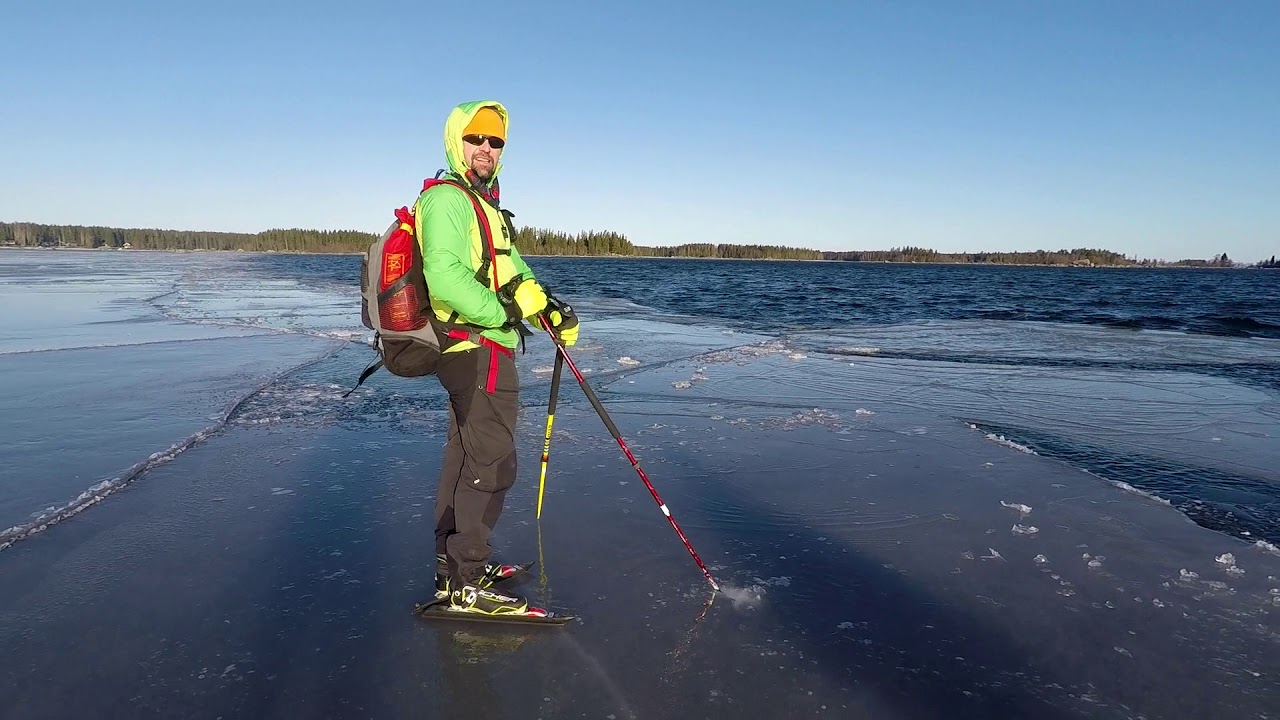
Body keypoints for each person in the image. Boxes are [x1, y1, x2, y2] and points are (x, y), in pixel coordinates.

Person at [416, 100, 579, 616]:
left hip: (479, 345)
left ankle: (453, 564)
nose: (486, 148)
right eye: (476, 138)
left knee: (465, 455)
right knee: (492, 460)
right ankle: (466, 578)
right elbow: (444, 276)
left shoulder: (482, 205)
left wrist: (545, 307)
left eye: (496, 142)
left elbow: (511, 269)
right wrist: (504, 314)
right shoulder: (448, 201)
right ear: (456, 140)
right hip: (475, 346)